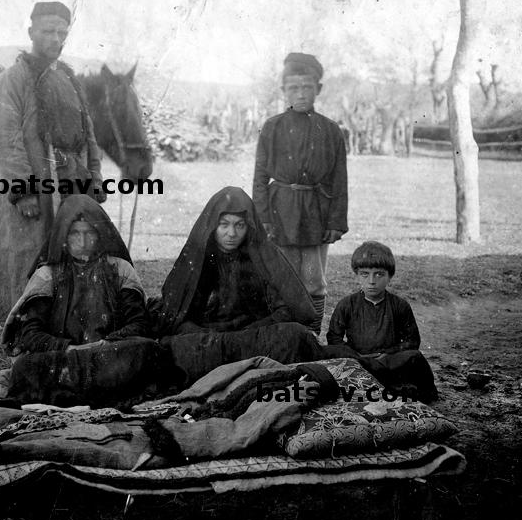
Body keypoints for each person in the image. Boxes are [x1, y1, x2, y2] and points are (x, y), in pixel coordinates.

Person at [0, 1, 107, 329]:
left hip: (71, 179)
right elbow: (5, 136)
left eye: (62, 32)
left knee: (71, 249)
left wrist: (95, 177)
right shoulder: (12, 79)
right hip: (32, 186)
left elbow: (88, 134)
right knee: (25, 255)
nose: (55, 38)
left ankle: (62, 317)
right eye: (47, 31)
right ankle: (17, 322)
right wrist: (23, 190)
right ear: (31, 32)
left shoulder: (70, 80)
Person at [0, 195, 177, 407]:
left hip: (107, 354)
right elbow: (32, 335)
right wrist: (69, 349)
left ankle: (59, 393)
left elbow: (138, 324)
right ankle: (104, 391)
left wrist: (104, 345)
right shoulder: (47, 275)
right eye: (74, 234)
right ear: (63, 236)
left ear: (100, 235)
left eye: (89, 233)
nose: (82, 242)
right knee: (28, 366)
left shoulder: (121, 270)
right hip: (66, 358)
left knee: (147, 350)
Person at [155, 187, 322, 380]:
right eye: (224, 225)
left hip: (252, 336)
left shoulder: (261, 256)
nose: (232, 233)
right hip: (209, 339)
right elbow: (176, 318)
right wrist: (209, 335)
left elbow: (285, 309)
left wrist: (253, 329)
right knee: (170, 347)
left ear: (249, 226)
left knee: (295, 335)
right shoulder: (196, 259)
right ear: (212, 226)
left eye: (240, 225)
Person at [253, 52, 348, 332]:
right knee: (281, 278)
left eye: (307, 87)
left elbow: (339, 181)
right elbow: (259, 178)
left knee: (313, 281)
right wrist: (263, 219)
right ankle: (283, 335)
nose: (301, 93)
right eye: (293, 87)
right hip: (279, 210)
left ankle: (311, 334)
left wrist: (335, 222)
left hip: (316, 213)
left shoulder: (330, 131)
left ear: (318, 89)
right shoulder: (272, 128)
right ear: (284, 91)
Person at [324, 241, 437, 402]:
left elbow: (412, 341)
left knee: (415, 357)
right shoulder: (347, 304)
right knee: (327, 356)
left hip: (387, 363)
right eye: (365, 274)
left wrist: (386, 354)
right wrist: (356, 356)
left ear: (389, 276)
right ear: (356, 275)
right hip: (358, 361)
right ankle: (385, 388)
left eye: (379, 274)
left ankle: (390, 387)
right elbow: (334, 338)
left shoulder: (399, 305)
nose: (371, 281)